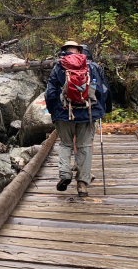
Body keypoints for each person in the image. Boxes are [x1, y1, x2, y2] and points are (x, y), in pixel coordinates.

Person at [45, 40, 111, 197]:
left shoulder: (59, 67)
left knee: (66, 145)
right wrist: (103, 110)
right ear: (80, 51)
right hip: (87, 113)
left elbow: (50, 93)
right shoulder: (92, 66)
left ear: (64, 51)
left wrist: (53, 111)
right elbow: (103, 90)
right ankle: (82, 185)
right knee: (85, 146)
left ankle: (65, 175)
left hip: (63, 113)